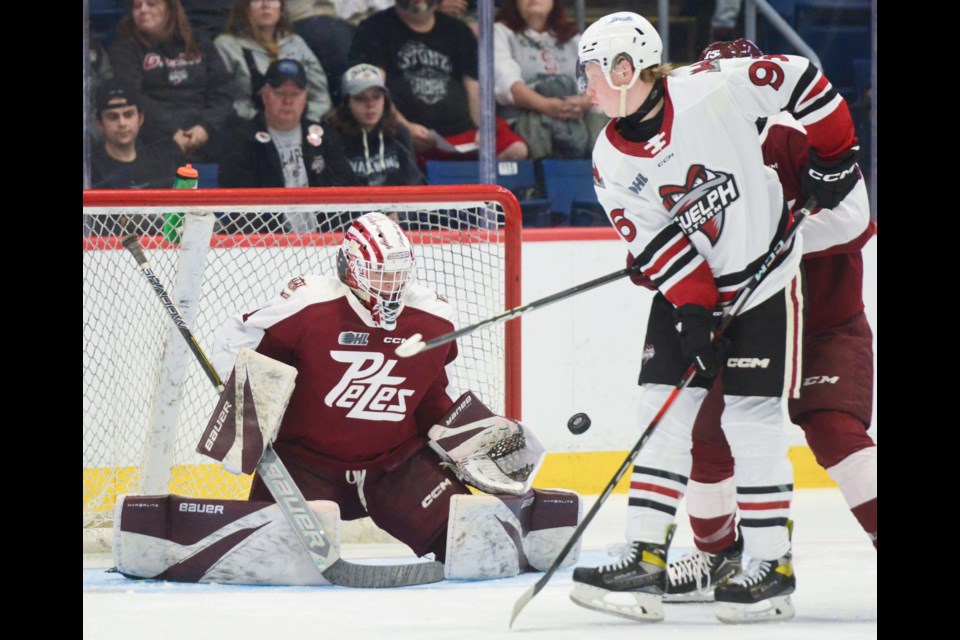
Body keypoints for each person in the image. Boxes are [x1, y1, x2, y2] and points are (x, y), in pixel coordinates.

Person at [568, 12, 862, 624]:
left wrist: (836, 154)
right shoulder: (607, 160)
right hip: (696, 294)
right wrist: (695, 311)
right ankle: (646, 556)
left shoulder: (712, 86)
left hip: (765, 285)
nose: (584, 86)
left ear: (626, 68)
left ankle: (769, 567)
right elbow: (662, 248)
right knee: (660, 408)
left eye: (591, 72)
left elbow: (803, 78)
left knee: (751, 421)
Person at [208, 212, 559, 567]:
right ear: (349, 267)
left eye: (397, 275)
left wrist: (469, 435)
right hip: (303, 465)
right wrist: (244, 408)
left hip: (397, 465)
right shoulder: (308, 305)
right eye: (378, 274)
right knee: (269, 564)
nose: (390, 285)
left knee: (482, 550)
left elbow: (431, 397)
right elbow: (239, 342)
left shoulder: (432, 317)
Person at [663, 38, 877, 603]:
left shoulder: (798, 133)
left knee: (836, 432)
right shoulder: (692, 149)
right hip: (743, 324)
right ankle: (718, 558)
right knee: (706, 438)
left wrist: (767, 239)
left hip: (825, 322)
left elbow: (855, 219)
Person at [349, 0, 528, 163]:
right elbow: (374, 89)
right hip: (405, 133)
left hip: (462, 134)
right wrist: (405, 128)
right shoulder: (374, 29)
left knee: (516, 150)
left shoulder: (458, 30)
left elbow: (474, 88)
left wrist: (482, 127)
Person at [109, 0, 233, 162]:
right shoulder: (125, 48)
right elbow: (133, 97)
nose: (143, 10)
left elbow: (223, 91)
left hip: (205, 130)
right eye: (137, 6)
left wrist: (205, 128)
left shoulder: (198, 41)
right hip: (153, 135)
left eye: (151, 4)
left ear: (170, 8)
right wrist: (171, 132)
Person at [218, 59, 326, 233]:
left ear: (305, 97)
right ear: (264, 94)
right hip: (265, 245)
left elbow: (346, 189)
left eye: (295, 94)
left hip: (324, 243)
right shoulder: (241, 141)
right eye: (280, 93)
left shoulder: (325, 137)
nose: (288, 101)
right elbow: (240, 208)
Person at [493, 0, 607, 160]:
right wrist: (544, 105)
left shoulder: (572, 36)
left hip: (575, 117)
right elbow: (507, 84)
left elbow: (595, 78)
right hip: (524, 120)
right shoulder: (500, 32)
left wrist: (583, 102)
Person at [214, 0, 332, 124]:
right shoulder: (226, 45)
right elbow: (221, 100)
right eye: (257, 1)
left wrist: (307, 122)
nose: (266, 5)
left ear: (281, 7)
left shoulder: (295, 43)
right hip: (246, 128)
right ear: (244, 7)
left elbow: (320, 95)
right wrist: (265, 124)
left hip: (299, 126)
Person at [318, 63, 426, 187]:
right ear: (346, 103)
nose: (370, 105)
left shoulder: (399, 133)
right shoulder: (333, 137)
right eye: (360, 98)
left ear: (386, 100)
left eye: (377, 97)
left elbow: (414, 182)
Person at [90, 78, 185, 191]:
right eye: (113, 117)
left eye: (128, 115)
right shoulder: (90, 169)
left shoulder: (163, 158)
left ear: (140, 118)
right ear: (100, 124)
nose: (122, 123)